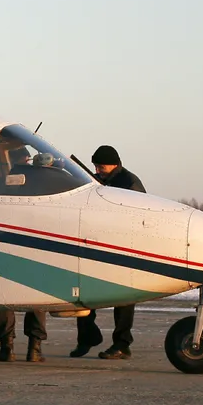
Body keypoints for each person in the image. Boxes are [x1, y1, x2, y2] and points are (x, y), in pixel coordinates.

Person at [73, 145, 146, 359]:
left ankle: (122, 344)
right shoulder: (101, 182)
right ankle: (87, 338)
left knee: (123, 299)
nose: (97, 170)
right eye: (95, 166)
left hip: (124, 249)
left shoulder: (130, 184)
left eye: (101, 166)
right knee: (84, 293)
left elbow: (134, 216)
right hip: (99, 246)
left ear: (114, 164)